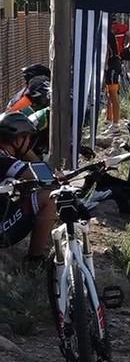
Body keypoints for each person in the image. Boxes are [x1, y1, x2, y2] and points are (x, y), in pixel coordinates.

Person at [0, 112, 57, 264]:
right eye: (27, 138)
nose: (30, 142)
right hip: (2, 231)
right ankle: (34, 260)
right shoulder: (4, 159)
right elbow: (41, 177)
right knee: (50, 197)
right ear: (17, 139)